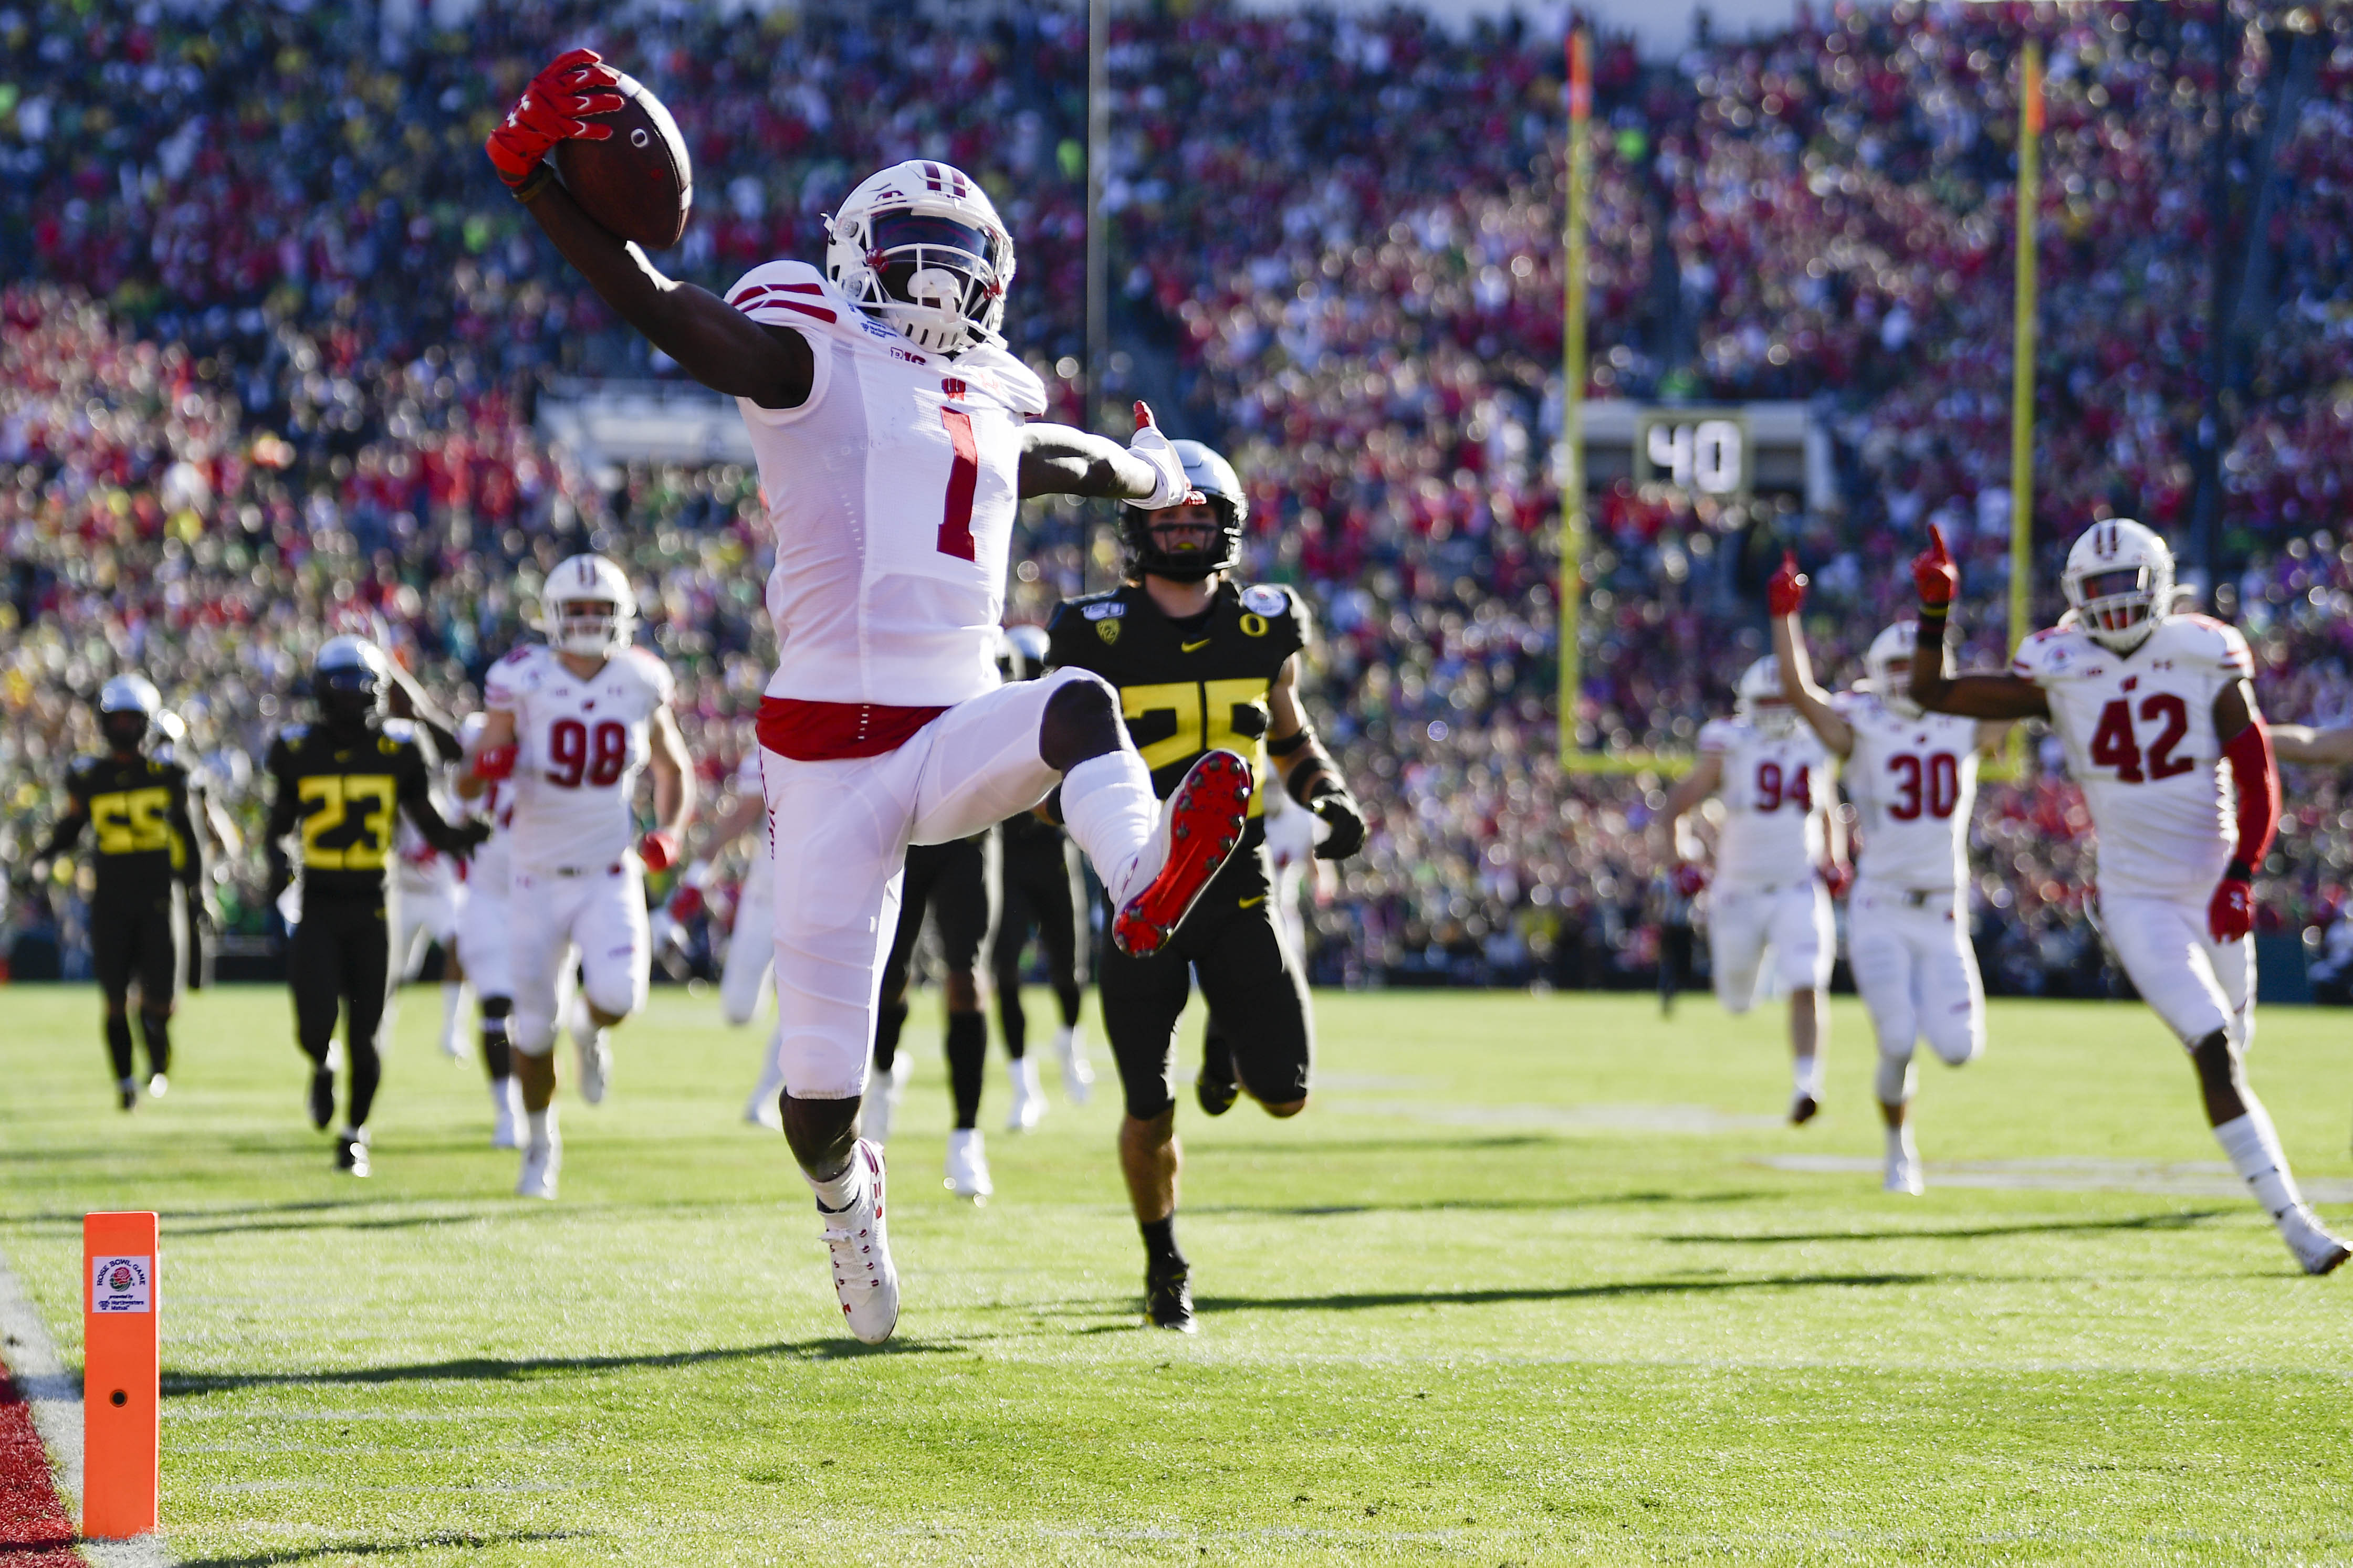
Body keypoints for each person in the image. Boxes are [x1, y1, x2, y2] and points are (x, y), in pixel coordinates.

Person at [488, 55, 1254, 1344]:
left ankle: (1144, 879)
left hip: (952, 728)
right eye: (918, 251)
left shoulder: (988, 394)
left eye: (959, 255)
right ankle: (849, 1199)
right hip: (828, 762)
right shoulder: (807, 358)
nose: (940, 276)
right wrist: (535, 189)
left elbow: (1047, 457)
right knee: (818, 1102)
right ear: (857, 258)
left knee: (1076, 702)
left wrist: (1140, 473)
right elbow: (656, 301)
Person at [1907, 519, 2347, 1275]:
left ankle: (2265, 1175)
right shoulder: (2058, 662)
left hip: (2211, 879)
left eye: (2125, 583)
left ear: (2159, 582)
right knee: (2212, 1048)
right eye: (2098, 587)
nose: (2113, 601)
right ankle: (2296, 1225)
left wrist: (2240, 873)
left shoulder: (2202, 649)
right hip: (2136, 895)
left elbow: (2256, 775)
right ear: (2074, 595)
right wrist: (1933, 613)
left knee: (2234, 1037)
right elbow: (1931, 691)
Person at [1045, 438, 1367, 1332]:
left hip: (1238, 881)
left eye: (1199, 519)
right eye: (1169, 518)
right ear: (1137, 526)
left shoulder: (1264, 624)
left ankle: (1225, 1034)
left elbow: (1288, 734)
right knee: (1148, 1105)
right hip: (1142, 886)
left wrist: (1330, 795)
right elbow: (1051, 755)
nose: (1184, 533)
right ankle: (1164, 1261)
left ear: (1227, 526)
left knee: (1286, 1093)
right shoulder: (1091, 632)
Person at [1768, 555, 2005, 1193]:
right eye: (1893, 667)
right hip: (1880, 904)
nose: (1904, 677)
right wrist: (1784, 617)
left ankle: (1911, 1070)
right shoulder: (1863, 723)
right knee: (1897, 1040)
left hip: (1943, 908)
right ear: (1875, 674)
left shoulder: (1962, 719)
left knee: (1959, 1048)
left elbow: (2025, 695)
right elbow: (1799, 692)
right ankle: (1898, 1149)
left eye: (1912, 664)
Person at [465, 553, 694, 1201]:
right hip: (534, 876)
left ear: (621, 615)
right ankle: (541, 1146)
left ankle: (589, 1030)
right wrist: (488, 763)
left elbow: (673, 767)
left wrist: (671, 830)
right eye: (579, 609)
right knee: (534, 1029)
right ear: (554, 615)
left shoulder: (640, 677)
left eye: (601, 609)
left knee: (620, 997)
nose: (591, 619)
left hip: (607, 870)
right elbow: (468, 779)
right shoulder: (522, 677)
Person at [263, 637, 488, 1175]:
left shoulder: (399, 746)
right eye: (341, 684)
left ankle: (353, 1135)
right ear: (323, 690)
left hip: (374, 903)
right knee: (313, 1024)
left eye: (360, 684)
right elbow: (279, 827)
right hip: (319, 899)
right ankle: (322, 1065)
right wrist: (281, 860)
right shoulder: (298, 749)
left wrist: (468, 836)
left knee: (366, 1033)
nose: (351, 694)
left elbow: (430, 821)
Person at [1654, 655, 1849, 1124]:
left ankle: (1807, 1084)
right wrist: (1679, 862)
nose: (1777, 710)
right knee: (1737, 1000)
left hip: (1796, 886)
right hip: (1737, 890)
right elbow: (1675, 806)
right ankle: (1760, 981)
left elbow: (1828, 810)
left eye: (1785, 700)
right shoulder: (1729, 743)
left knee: (1808, 981)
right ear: (1747, 703)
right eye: (1768, 701)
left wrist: (1834, 859)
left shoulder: (1814, 743)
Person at [30, 676, 205, 1110]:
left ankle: (157, 1057)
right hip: (111, 899)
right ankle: (125, 1081)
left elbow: (191, 836)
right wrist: (44, 856)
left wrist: (196, 889)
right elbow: (72, 826)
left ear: (147, 721)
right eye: (117, 718)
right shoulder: (89, 775)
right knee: (113, 998)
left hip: (159, 897)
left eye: (132, 718)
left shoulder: (168, 772)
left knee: (161, 1002)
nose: (124, 726)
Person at [992, 624, 1096, 1129]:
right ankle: (1023, 1085)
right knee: (1004, 973)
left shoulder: (1063, 713)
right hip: (1007, 855)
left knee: (1069, 970)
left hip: (1054, 852)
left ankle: (1068, 1042)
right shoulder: (995, 713)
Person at [865, 832, 1000, 1198]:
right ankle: (883, 1079)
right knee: (890, 975)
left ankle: (966, 1136)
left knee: (967, 979)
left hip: (966, 831)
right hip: (902, 833)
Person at [669, 752, 788, 1128]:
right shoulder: (768, 747)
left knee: (803, 1009)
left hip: (821, 898)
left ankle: (764, 1097)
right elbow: (741, 816)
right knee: (738, 1010)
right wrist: (699, 871)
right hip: (766, 894)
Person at [451, 712, 526, 1150]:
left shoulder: (540, 755)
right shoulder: (476, 765)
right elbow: (463, 791)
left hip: (539, 895)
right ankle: (507, 1111)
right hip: (486, 896)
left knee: (538, 1016)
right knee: (495, 1007)